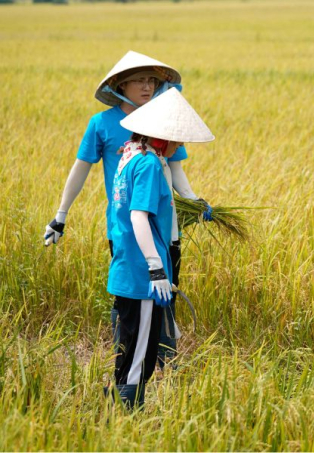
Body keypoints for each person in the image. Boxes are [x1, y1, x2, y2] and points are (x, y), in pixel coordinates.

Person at [42, 51, 209, 367]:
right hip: (126, 228)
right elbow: (80, 169)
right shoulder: (102, 124)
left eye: (152, 80)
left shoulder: (164, 122)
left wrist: (195, 201)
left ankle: (161, 357)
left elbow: (175, 170)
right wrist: (61, 215)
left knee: (166, 290)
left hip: (165, 226)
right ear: (120, 84)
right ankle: (128, 359)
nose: (147, 86)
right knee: (130, 293)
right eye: (139, 80)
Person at [107, 87, 214, 409]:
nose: (180, 145)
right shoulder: (151, 165)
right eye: (178, 139)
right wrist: (156, 268)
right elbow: (139, 216)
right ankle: (128, 410)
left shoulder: (129, 157)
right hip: (142, 275)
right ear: (162, 137)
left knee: (130, 343)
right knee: (142, 349)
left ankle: (117, 396)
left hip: (127, 265)